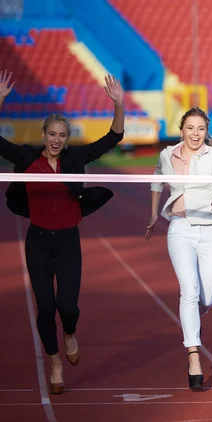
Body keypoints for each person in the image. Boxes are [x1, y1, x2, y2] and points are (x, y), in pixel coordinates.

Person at [0, 70, 125, 394]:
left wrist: (119, 104)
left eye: (62, 135)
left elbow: (113, 138)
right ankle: (55, 361)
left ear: (67, 139)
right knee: (44, 307)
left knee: (67, 306)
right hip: (38, 241)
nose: (57, 140)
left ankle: (69, 332)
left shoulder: (75, 157)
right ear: (44, 135)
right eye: (52, 134)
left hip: (69, 240)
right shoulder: (27, 158)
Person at [145, 107, 212, 391]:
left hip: (211, 230)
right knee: (189, 290)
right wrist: (153, 215)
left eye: (200, 129)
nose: (195, 134)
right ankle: (194, 356)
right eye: (190, 128)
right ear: (182, 129)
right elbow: (156, 180)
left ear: (206, 131)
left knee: (206, 297)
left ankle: (194, 320)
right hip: (180, 229)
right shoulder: (167, 154)